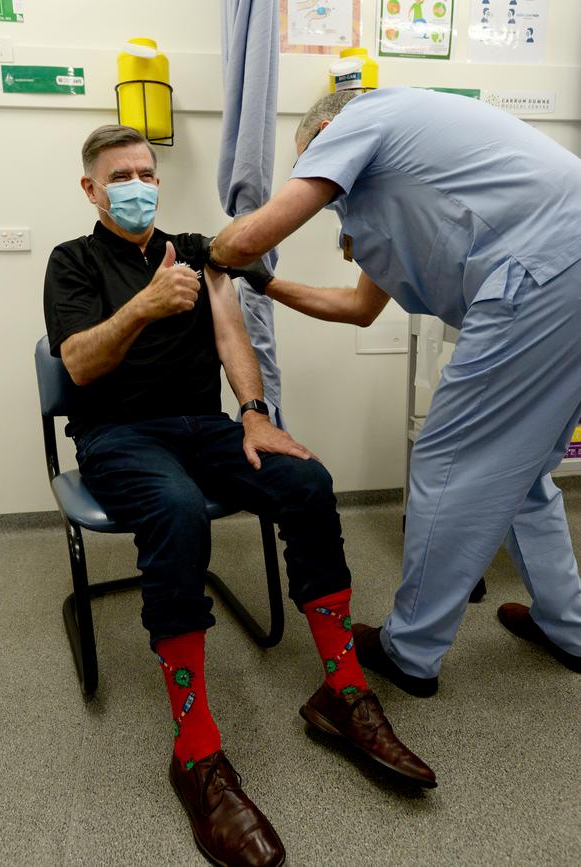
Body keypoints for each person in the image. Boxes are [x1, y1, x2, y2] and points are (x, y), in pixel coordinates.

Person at [44, 124, 436, 867]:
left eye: (147, 173)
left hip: (206, 427)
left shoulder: (196, 250)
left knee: (307, 480)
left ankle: (342, 691)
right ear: (92, 190)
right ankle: (195, 752)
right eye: (119, 175)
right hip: (119, 435)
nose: (138, 185)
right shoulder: (72, 263)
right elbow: (79, 366)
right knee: (178, 510)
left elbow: (232, 338)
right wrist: (144, 306)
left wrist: (255, 412)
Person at [207, 88, 581, 700]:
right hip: (565, 272)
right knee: (524, 473)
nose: (332, 195)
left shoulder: (362, 118)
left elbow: (249, 237)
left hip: (543, 270)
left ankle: (410, 650)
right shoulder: (410, 171)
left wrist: (216, 253)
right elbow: (357, 308)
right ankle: (567, 625)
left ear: (325, 132)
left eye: (315, 162)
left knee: (445, 462)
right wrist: (266, 285)